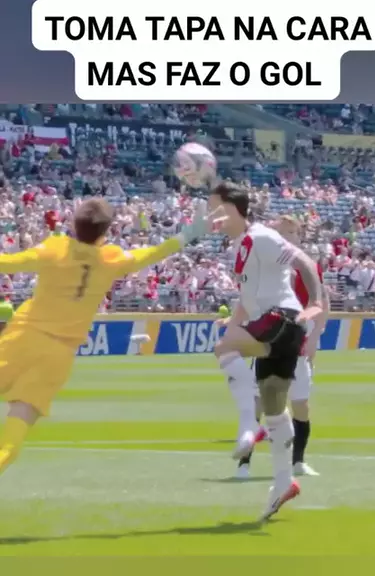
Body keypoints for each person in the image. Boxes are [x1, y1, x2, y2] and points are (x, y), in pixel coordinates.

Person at [0, 198, 224, 477]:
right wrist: (188, 234)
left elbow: (7, 263)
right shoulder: (111, 259)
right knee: (12, 437)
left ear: (74, 224)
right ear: (106, 231)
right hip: (57, 356)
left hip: (22, 338)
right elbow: (152, 254)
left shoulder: (55, 248)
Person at [210, 182, 323, 521]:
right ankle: (283, 483)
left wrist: (316, 301)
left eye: (214, 208)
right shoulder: (240, 247)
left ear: (232, 210)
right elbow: (247, 301)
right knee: (274, 404)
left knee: (224, 348)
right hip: (268, 323)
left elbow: (305, 262)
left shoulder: (262, 236)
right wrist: (234, 322)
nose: (209, 215)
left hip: (283, 318)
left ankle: (248, 426)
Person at [237, 216, 329, 479]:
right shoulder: (265, 264)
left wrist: (315, 338)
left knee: (301, 404)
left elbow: (322, 302)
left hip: (298, 342)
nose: (286, 237)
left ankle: (298, 461)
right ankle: (244, 464)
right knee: (258, 403)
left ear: (298, 236)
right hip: (270, 341)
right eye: (281, 233)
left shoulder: (308, 266)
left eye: (290, 233)